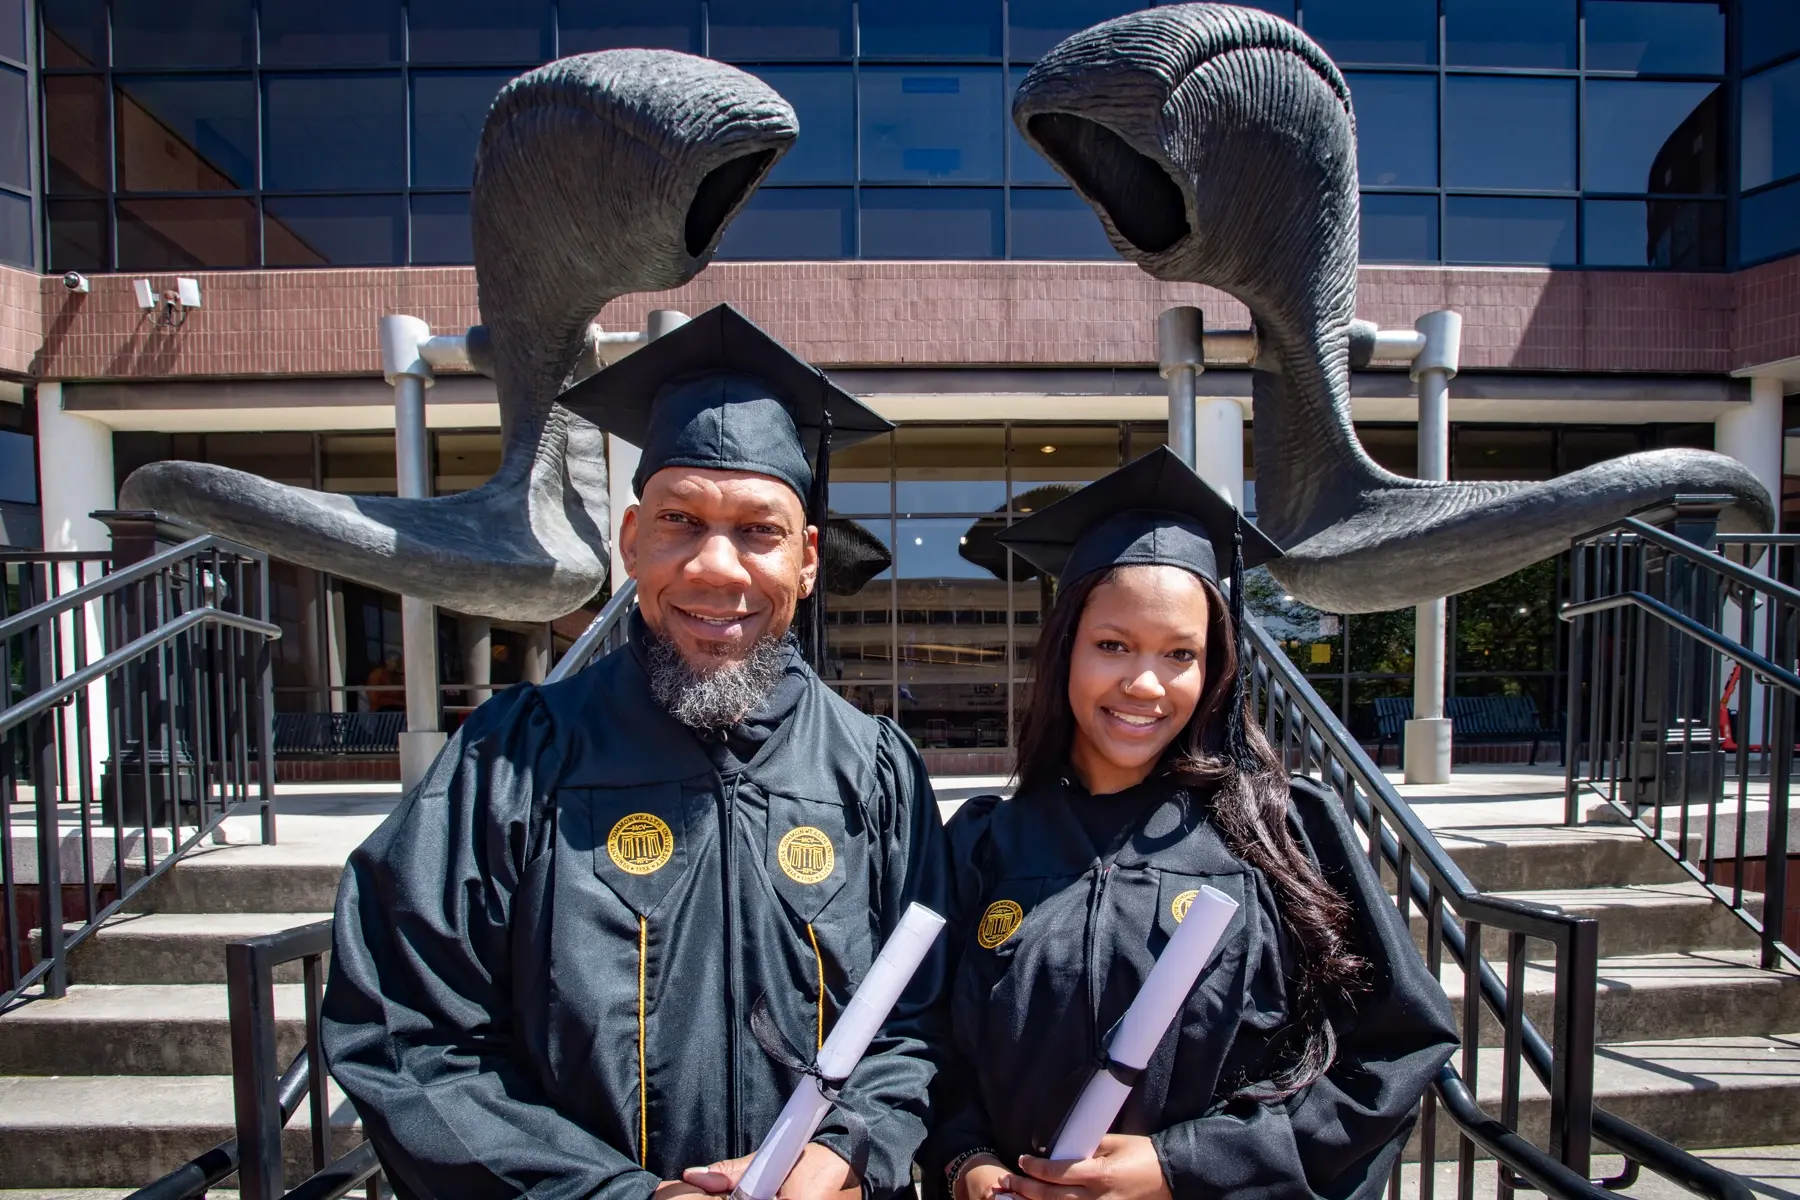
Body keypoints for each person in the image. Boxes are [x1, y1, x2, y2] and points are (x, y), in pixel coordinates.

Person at [323, 304, 951, 1200]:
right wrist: (616, 1195)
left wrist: (848, 1149)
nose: (717, 568)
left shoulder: (875, 772)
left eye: (760, 531)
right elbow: (406, 1032)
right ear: (629, 541)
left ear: (808, 560)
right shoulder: (513, 761)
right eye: (680, 521)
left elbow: (923, 1018)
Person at [928, 448, 1457, 1200]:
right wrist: (968, 1164)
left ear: (1214, 671)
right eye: (1113, 645)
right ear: (1065, 651)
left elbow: (1393, 1054)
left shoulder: (1282, 834)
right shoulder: (986, 845)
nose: (1145, 683)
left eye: (1181, 653)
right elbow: (930, 1051)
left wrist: (1185, 1167)